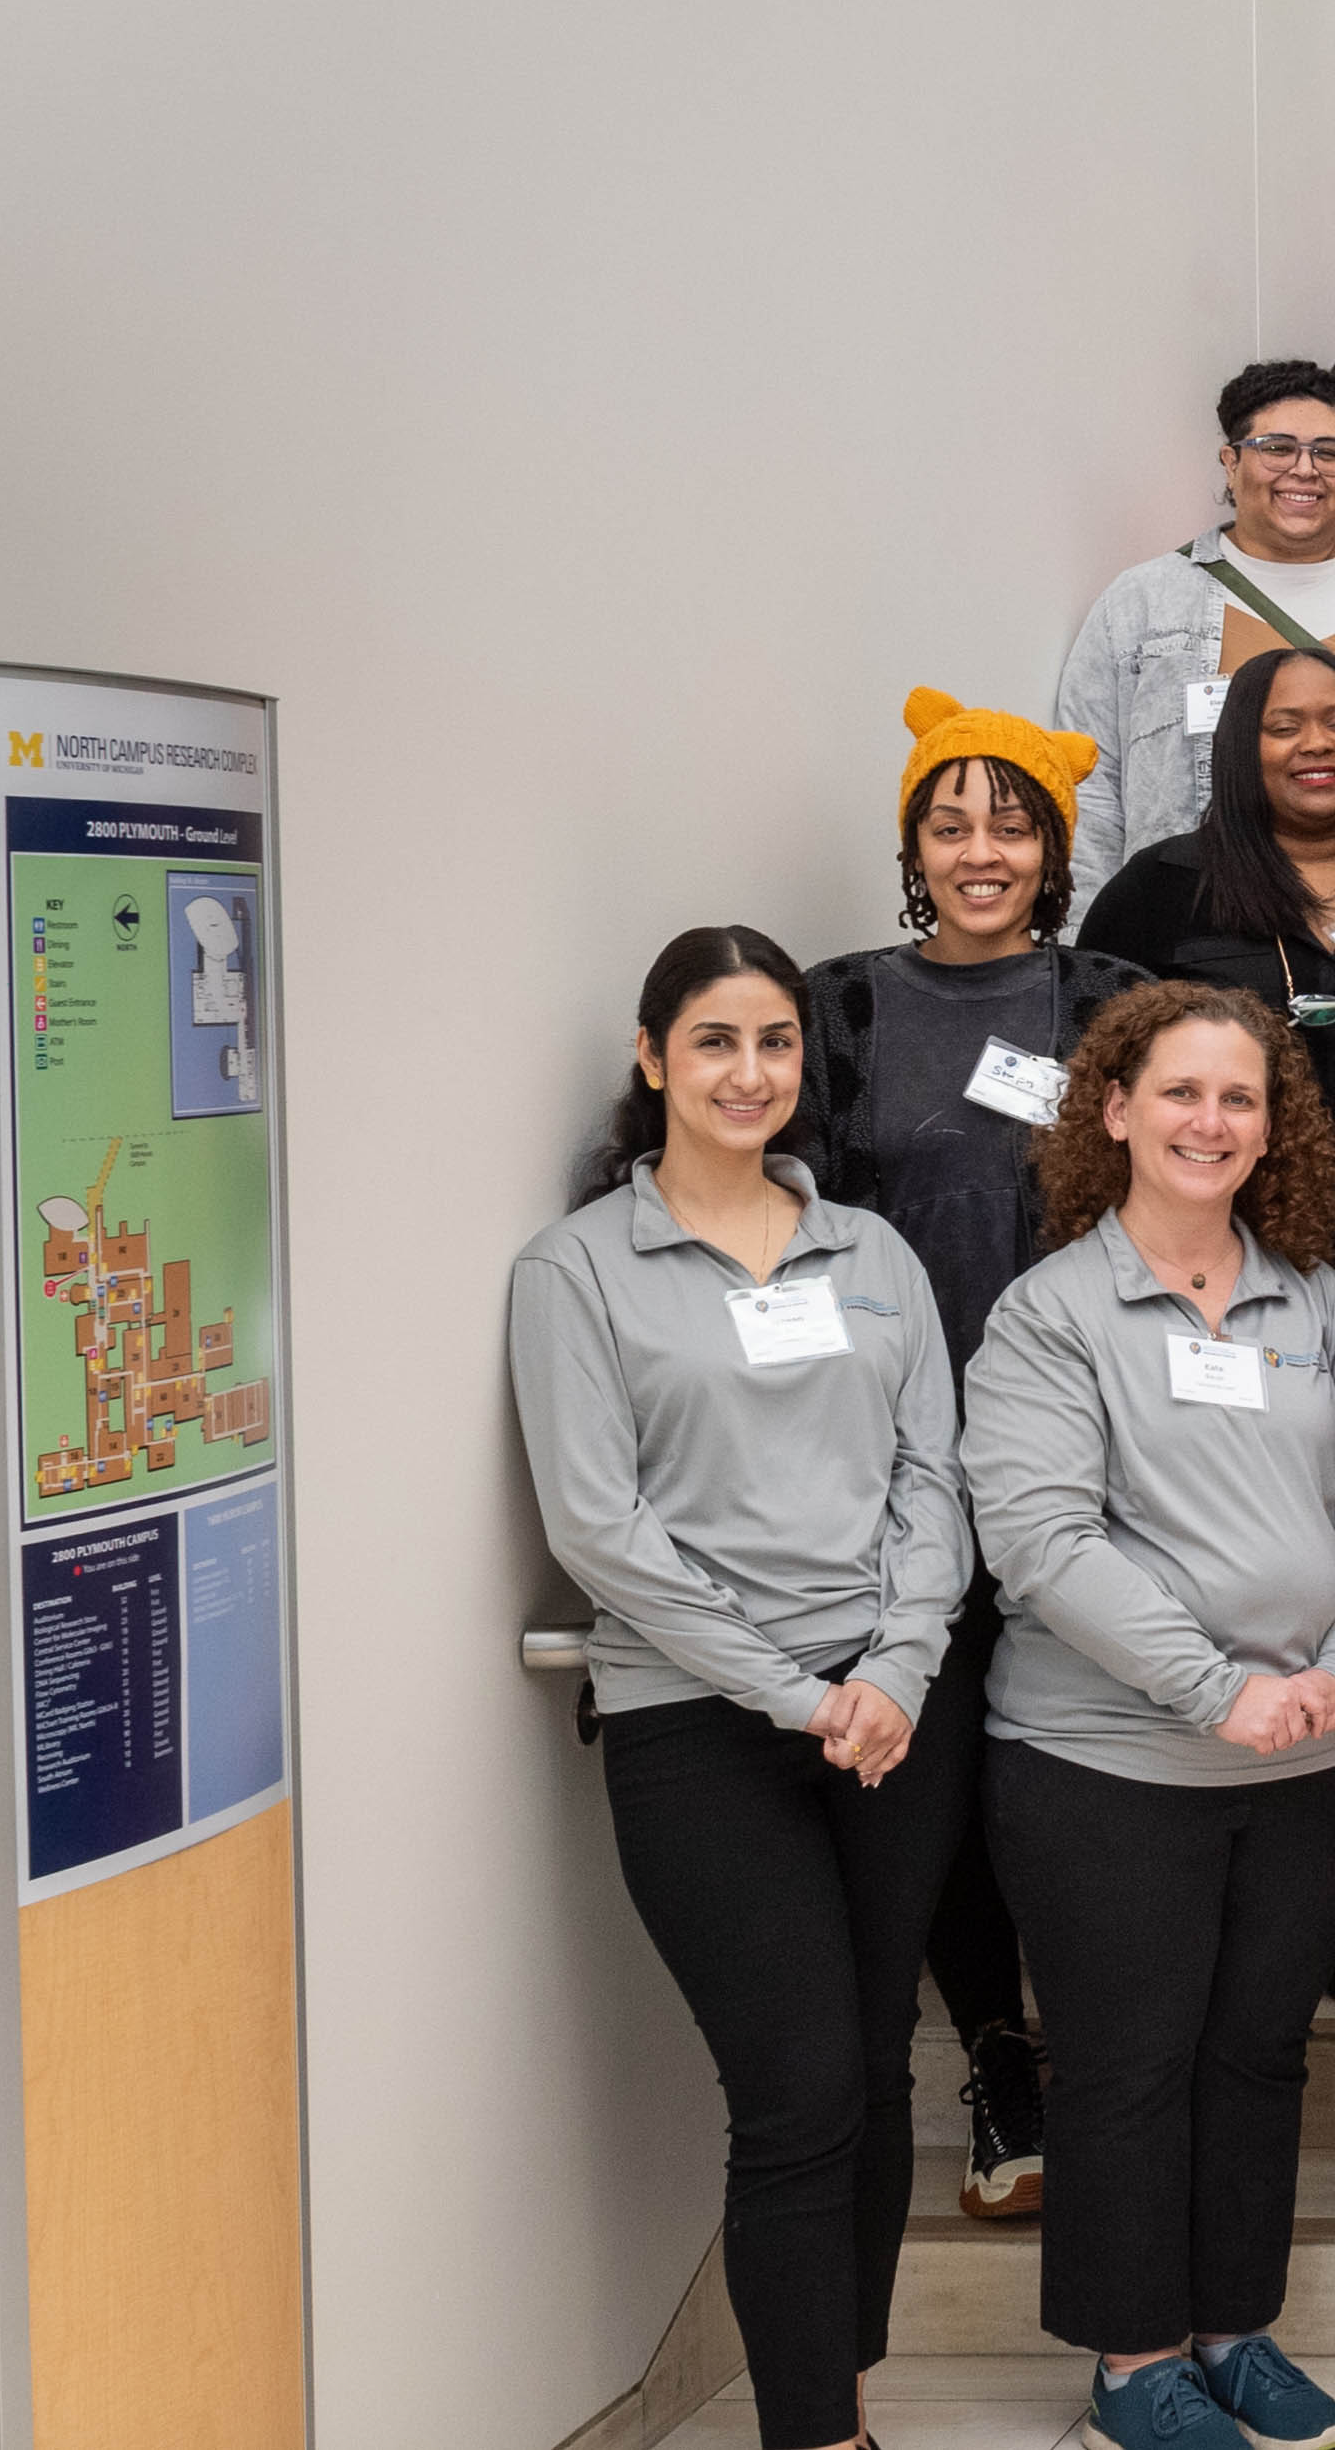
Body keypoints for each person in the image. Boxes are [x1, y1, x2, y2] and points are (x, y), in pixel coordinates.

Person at [511, 927, 967, 2450]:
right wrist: (794, 1690)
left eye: (775, 1041)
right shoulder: (579, 1268)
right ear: (652, 1059)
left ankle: (842, 2396)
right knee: (797, 2088)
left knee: (878, 2070)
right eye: (713, 1041)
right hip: (698, 1723)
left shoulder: (873, 1253)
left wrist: (894, 1664)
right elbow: (599, 1527)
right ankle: (815, 2437)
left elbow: (932, 1477)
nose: (748, 1072)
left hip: (887, 1716)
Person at [961, 981, 1335, 2450]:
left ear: (1271, 1128)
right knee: (1126, 2064)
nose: (1208, 1121)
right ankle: (1133, 2359)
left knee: (1258, 2053)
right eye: (1179, 1091)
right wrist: (1221, 1690)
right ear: (1113, 1108)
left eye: (1239, 1098)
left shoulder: (1320, 1304)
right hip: (1107, 1765)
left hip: (1311, 1758)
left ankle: (1234, 2331)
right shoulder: (1050, 1314)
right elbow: (1042, 1542)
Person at [795, 696, 1158, 2227]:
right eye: (948, 824)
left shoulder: (1116, 1001)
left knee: (1071, 1758)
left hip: (1091, 1450)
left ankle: (1110, 2049)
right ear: (913, 847)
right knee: (934, 1768)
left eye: (1010, 822)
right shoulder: (840, 1005)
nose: (980, 850)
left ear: (1056, 846)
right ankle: (1002, 2052)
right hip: (901, 1458)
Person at [1054, 360, 1335, 932]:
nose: (1304, 469)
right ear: (1231, 462)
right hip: (1193, 937)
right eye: (1277, 448)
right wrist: (1088, 953)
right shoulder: (1140, 606)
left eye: (1328, 452)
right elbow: (1089, 797)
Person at [1077, 644, 1335, 1166]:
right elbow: (1097, 1067)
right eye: (1284, 728)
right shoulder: (1159, 886)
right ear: (1239, 747)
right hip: (1225, 1195)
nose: (1317, 743)